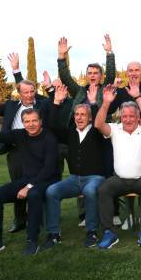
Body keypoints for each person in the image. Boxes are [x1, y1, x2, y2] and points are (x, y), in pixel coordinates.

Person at [0, 99, 60, 256]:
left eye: (34, 121)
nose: (31, 124)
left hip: (48, 179)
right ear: (23, 123)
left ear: (40, 121)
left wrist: (29, 187)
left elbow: (48, 169)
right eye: (27, 122)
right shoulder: (20, 135)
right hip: (28, 179)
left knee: (34, 194)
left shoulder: (49, 138)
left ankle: (32, 241)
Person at [0, 58, 51, 234]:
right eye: (25, 92)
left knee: (38, 183)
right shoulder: (11, 106)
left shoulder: (42, 105)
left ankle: (39, 218)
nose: (29, 95)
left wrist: (17, 70)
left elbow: (56, 103)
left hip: (38, 150)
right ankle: (20, 220)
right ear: (19, 93)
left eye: (32, 91)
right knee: (17, 184)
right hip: (15, 150)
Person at [57, 35, 120, 224]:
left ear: (100, 76)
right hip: (81, 140)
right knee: (80, 173)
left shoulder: (105, 89)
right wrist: (61, 57)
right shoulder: (79, 91)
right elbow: (66, 78)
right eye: (89, 72)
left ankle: (114, 212)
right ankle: (85, 214)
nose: (92, 75)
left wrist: (109, 53)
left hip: (101, 137)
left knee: (108, 172)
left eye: (95, 72)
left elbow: (111, 73)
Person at [43, 85, 107, 249]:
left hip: (95, 178)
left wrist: (93, 103)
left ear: (90, 118)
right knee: (52, 191)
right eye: (77, 115)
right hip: (74, 179)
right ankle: (54, 233)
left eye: (83, 115)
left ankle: (92, 231)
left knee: (89, 191)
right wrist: (56, 102)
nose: (79, 117)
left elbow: (100, 121)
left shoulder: (98, 131)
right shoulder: (70, 132)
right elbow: (52, 125)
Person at [95, 84, 141, 248]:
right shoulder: (115, 129)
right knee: (103, 190)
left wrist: (137, 97)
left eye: (131, 116)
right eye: (124, 116)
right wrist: (107, 102)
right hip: (120, 179)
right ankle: (109, 232)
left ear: (138, 117)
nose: (128, 119)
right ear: (120, 117)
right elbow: (98, 124)